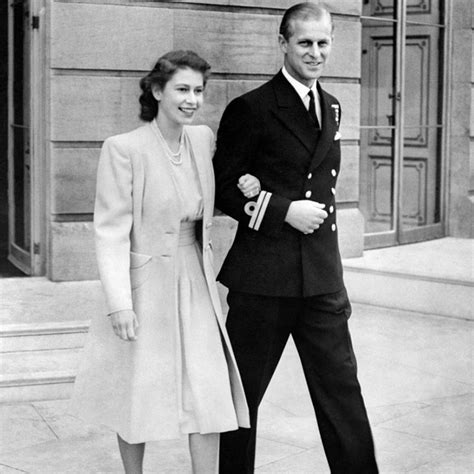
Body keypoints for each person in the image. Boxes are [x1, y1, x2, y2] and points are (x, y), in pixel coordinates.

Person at [72, 50, 257, 474]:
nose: (192, 99)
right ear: (157, 91)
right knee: (137, 391)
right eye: (182, 89)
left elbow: (228, 180)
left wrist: (249, 181)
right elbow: (111, 230)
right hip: (145, 284)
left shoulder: (203, 139)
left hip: (195, 274)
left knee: (209, 390)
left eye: (198, 90)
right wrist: (120, 302)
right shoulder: (124, 149)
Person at [213, 3, 378, 473]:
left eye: (323, 42)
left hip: (322, 277)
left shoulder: (333, 105)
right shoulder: (251, 108)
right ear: (282, 43)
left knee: (342, 391)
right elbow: (225, 188)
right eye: (304, 42)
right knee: (242, 399)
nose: (315, 52)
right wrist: (284, 211)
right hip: (264, 280)